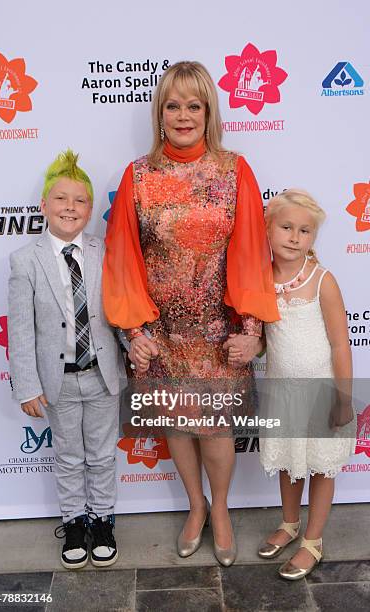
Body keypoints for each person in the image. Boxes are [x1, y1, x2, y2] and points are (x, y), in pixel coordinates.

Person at [103, 61, 279, 567]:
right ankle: (195, 507)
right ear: (161, 113)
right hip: (163, 332)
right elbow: (121, 259)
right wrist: (134, 331)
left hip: (221, 332)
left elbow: (249, 251)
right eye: (173, 105)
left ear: (208, 112)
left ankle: (221, 510)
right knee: (179, 426)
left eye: (193, 105)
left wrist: (252, 331)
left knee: (217, 430)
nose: (183, 115)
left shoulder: (234, 169)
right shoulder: (138, 175)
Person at [8, 150, 126, 570]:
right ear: (44, 206)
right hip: (57, 381)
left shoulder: (103, 252)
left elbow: (119, 312)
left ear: (90, 209)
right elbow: (21, 330)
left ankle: (103, 519)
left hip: (101, 378)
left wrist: (137, 347)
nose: (69, 208)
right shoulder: (26, 261)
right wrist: (26, 385)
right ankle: (74, 521)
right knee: (69, 457)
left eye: (79, 201)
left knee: (101, 454)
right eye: (61, 199)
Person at [258, 189, 356, 579]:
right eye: (286, 227)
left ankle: (313, 540)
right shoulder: (261, 279)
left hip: (320, 393)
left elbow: (339, 342)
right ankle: (289, 523)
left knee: (320, 466)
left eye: (305, 230)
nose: (295, 237)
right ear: (268, 229)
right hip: (281, 394)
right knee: (288, 461)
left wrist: (343, 399)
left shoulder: (322, 281)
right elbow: (264, 338)